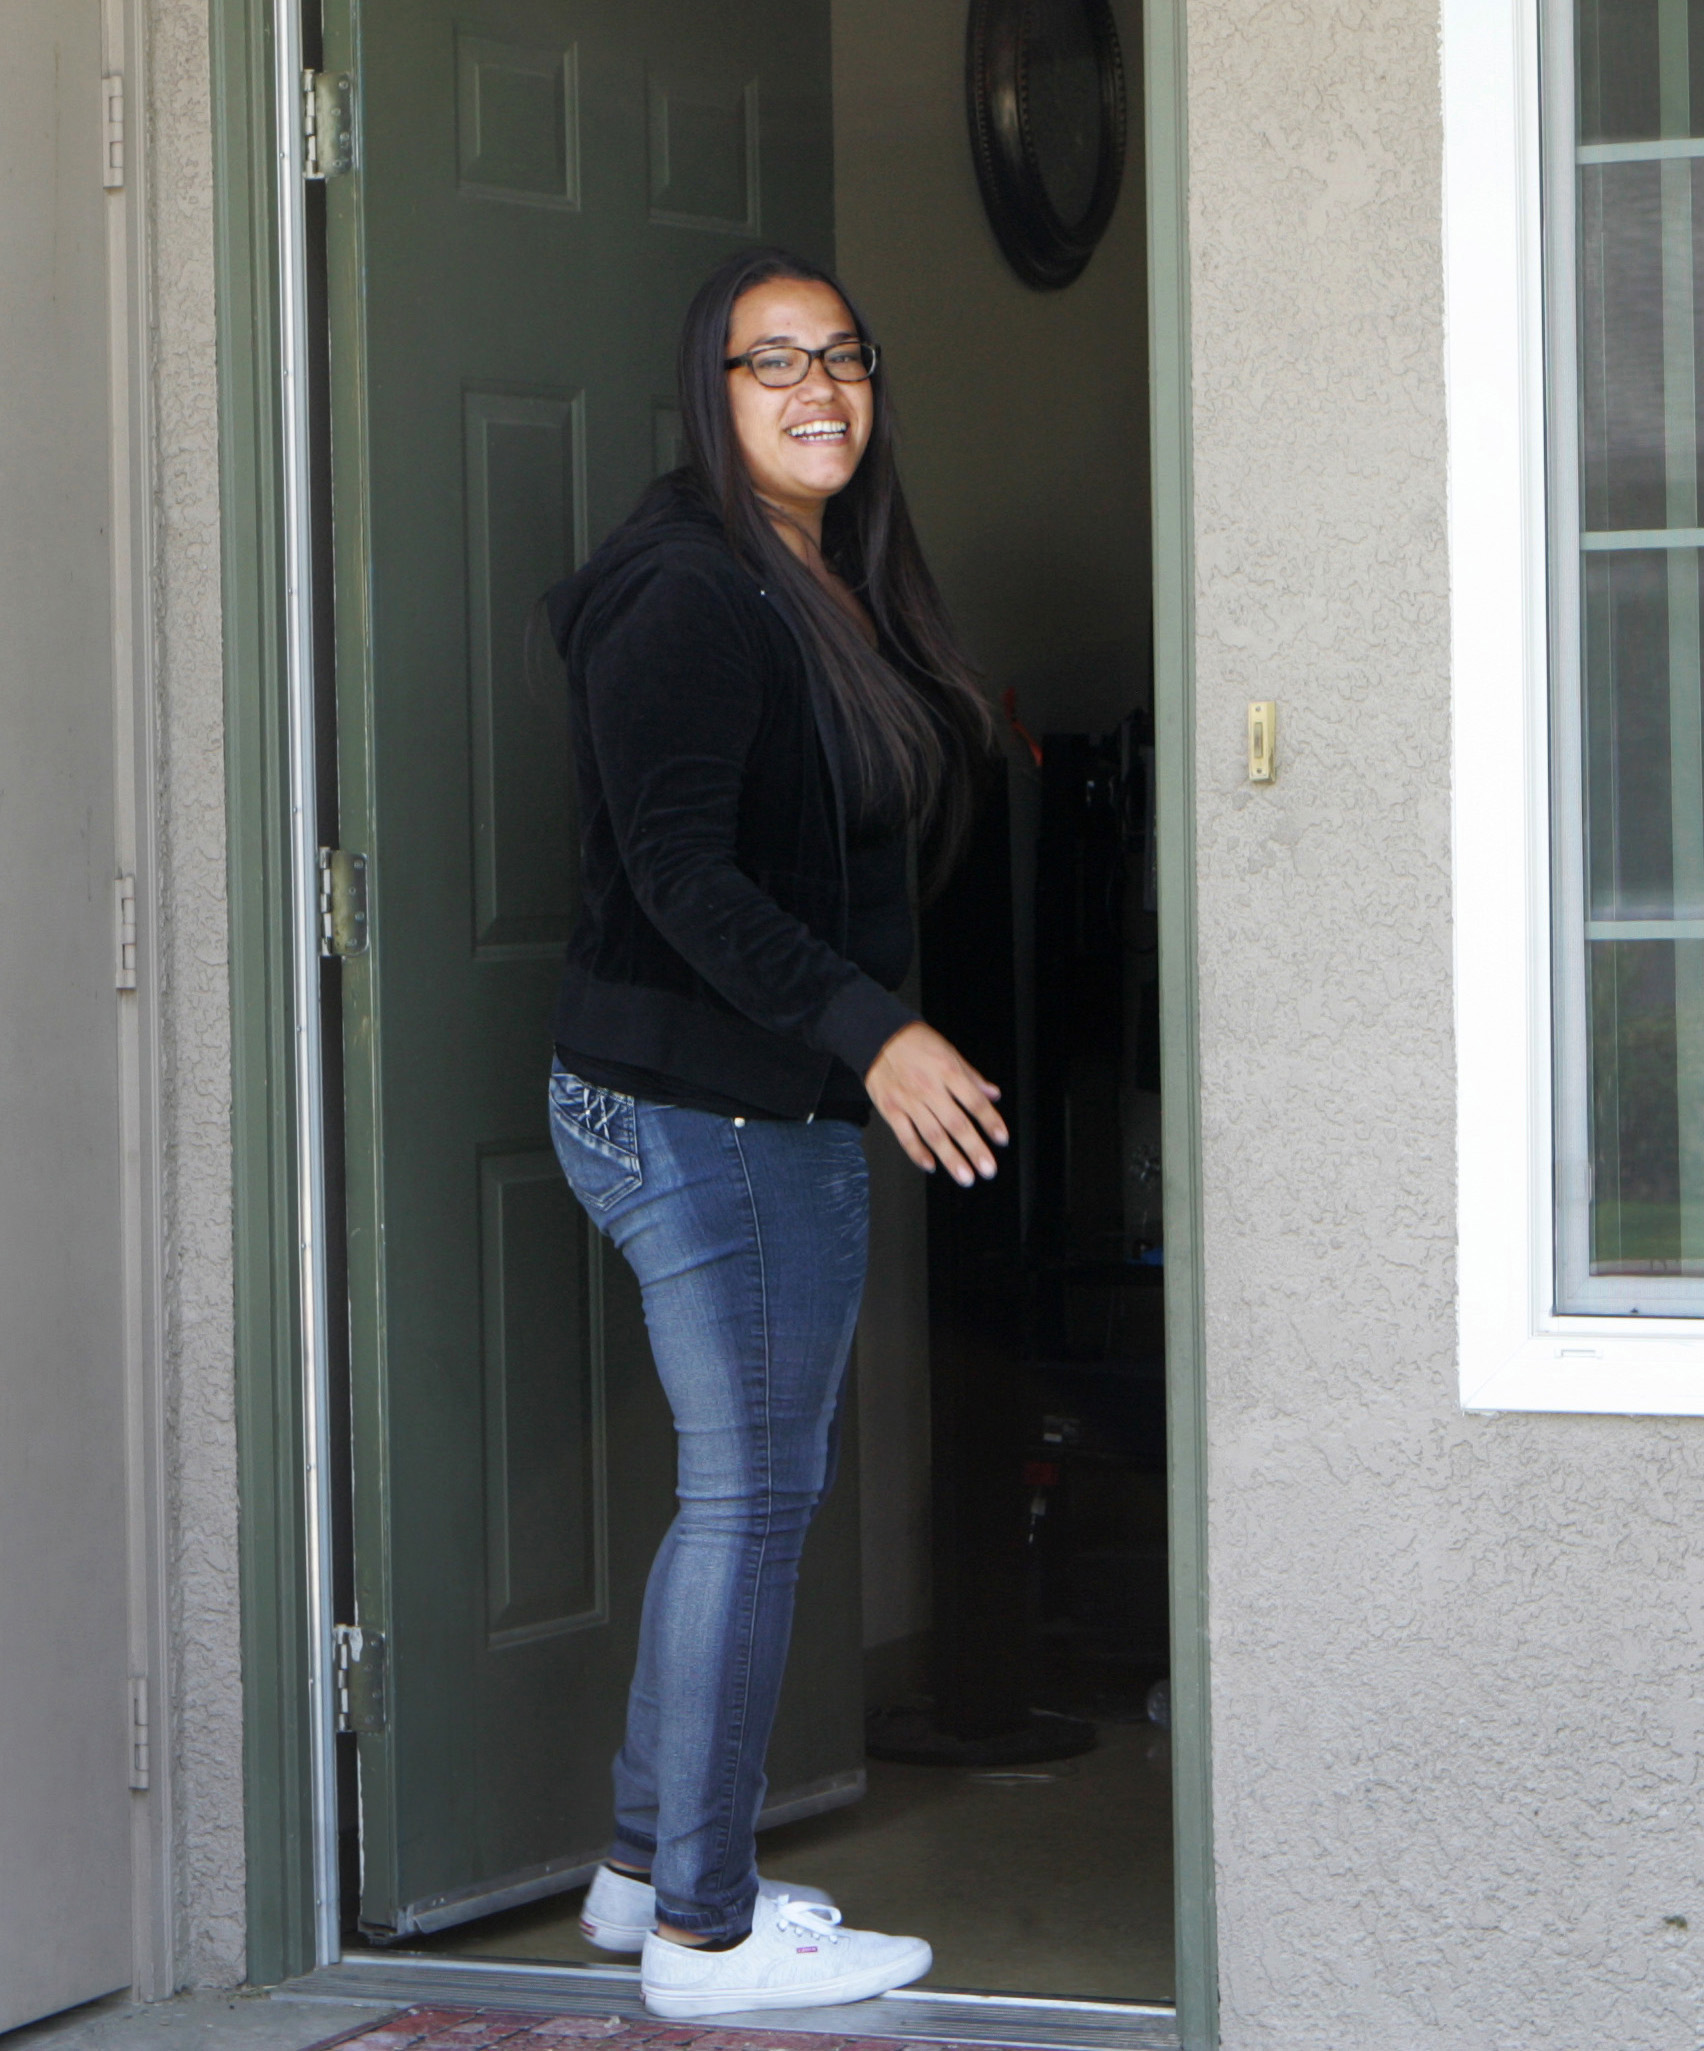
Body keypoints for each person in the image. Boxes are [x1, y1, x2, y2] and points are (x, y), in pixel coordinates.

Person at [542, 245, 1006, 2017]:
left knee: (728, 1503)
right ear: (708, 391)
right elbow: (676, 873)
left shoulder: (812, 575)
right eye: (771, 364)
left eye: (845, 358)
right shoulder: (689, 594)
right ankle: (705, 1943)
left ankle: (646, 1876)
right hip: (712, 1110)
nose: (820, 390)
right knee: (750, 1504)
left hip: (721, 1098)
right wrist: (873, 1034)